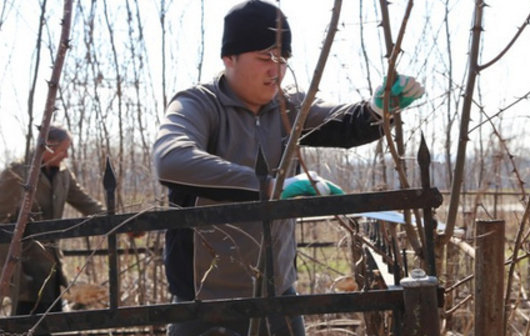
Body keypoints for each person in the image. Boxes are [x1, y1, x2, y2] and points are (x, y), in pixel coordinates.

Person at [152, 1, 424, 335]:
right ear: (229, 58)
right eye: (265, 58)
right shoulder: (198, 103)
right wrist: (270, 187)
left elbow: (343, 122)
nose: (276, 70)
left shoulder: (288, 106)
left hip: (279, 292)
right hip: (205, 299)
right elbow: (172, 159)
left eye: (283, 59)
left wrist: (378, 108)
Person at [0, 125, 104, 317]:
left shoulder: (63, 174)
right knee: (25, 325)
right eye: (64, 149)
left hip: (52, 269)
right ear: (48, 146)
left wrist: (121, 222)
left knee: (50, 323)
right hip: (24, 269)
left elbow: (87, 203)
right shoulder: (17, 173)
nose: (67, 155)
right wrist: (12, 273)